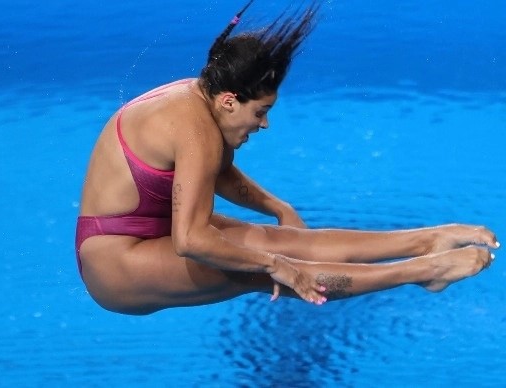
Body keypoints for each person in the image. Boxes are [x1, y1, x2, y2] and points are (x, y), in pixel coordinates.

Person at [74, 1, 497, 315]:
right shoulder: (194, 127)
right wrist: (278, 266)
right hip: (117, 264)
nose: (264, 124)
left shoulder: (198, 96)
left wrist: (276, 207)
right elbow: (190, 241)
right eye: (261, 112)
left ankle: (425, 240)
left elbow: (213, 174)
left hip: (150, 232)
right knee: (269, 267)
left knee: (282, 240)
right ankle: (422, 270)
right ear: (228, 101)